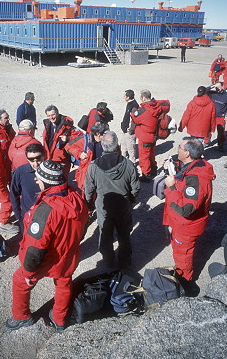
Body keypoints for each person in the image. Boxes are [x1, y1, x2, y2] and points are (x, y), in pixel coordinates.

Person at [6, 160, 89, 332]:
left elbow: (35, 248)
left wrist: (29, 271)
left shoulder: (45, 211)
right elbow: (83, 228)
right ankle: (59, 319)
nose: (36, 180)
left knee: (20, 280)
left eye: (38, 178)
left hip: (49, 258)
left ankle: (21, 316)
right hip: (69, 254)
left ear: (47, 181)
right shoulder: (77, 198)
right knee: (64, 283)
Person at [163, 137, 215, 295]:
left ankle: (186, 282)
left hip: (187, 226)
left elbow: (186, 209)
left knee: (183, 254)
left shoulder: (196, 180)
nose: (177, 149)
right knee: (181, 251)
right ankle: (183, 274)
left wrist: (171, 188)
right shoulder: (198, 165)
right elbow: (187, 171)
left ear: (186, 153)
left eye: (179, 147)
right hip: (185, 224)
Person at [84, 131, 140, 271]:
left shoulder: (94, 166)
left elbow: (88, 189)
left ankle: (108, 260)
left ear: (102, 146)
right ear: (117, 146)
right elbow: (136, 188)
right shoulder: (128, 164)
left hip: (104, 207)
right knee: (124, 234)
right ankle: (125, 261)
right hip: (123, 206)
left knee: (105, 233)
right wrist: (130, 200)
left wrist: (90, 203)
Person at [130, 89, 170, 181]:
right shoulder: (157, 106)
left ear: (143, 98)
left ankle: (146, 174)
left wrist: (133, 113)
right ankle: (153, 170)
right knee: (151, 154)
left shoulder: (144, 110)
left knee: (144, 157)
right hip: (153, 136)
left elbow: (136, 118)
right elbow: (166, 105)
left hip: (145, 137)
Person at [10, 143, 45, 232]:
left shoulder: (52, 171)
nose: (35, 163)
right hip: (28, 217)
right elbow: (14, 195)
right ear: (27, 159)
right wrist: (19, 216)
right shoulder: (20, 172)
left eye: (38, 159)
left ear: (44, 156)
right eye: (31, 160)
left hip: (47, 217)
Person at [65, 121, 108, 190]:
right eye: (106, 133)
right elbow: (68, 146)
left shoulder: (108, 142)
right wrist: (79, 153)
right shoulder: (85, 140)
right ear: (98, 134)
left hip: (102, 174)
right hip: (87, 174)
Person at [42, 105, 79, 177]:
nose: (51, 117)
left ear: (57, 113)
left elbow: (78, 137)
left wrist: (68, 139)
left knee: (62, 179)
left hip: (62, 159)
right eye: (49, 115)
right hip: (49, 157)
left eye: (53, 114)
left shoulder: (67, 125)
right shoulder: (47, 125)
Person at [205, 82, 227, 151]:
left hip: (221, 117)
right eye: (216, 87)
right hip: (211, 115)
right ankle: (206, 141)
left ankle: (221, 145)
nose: (217, 89)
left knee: (221, 132)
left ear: (222, 87)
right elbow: (204, 90)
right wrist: (212, 86)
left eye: (219, 87)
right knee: (208, 129)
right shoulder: (211, 93)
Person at [0, 109, 16, 182]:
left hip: (12, 159)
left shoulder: (9, 128)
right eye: (6, 118)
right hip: (3, 162)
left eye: (8, 117)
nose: (9, 119)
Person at [120, 89, 139, 163]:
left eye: (125, 95)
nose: (123, 97)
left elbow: (135, 119)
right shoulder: (130, 103)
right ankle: (123, 158)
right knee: (123, 145)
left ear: (128, 97)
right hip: (125, 129)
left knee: (131, 147)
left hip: (129, 131)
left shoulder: (134, 106)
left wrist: (131, 129)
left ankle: (132, 161)